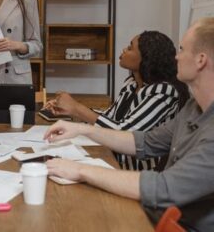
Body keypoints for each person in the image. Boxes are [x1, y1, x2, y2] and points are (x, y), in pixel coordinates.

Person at [43, 18, 214, 231]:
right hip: (158, 214)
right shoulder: (192, 108)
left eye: (182, 49)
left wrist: (80, 170)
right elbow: (144, 141)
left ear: (200, 60)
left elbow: (165, 188)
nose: (176, 56)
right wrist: (80, 128)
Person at [45, 31, 189, 170]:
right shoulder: (132, 84)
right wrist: (71, 112)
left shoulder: (164, 91)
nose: (124, 50)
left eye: (130, 48)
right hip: (114, 160)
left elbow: (126, 133)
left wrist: (77, 108)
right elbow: (110, 117)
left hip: (141, 173)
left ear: (146, 58)